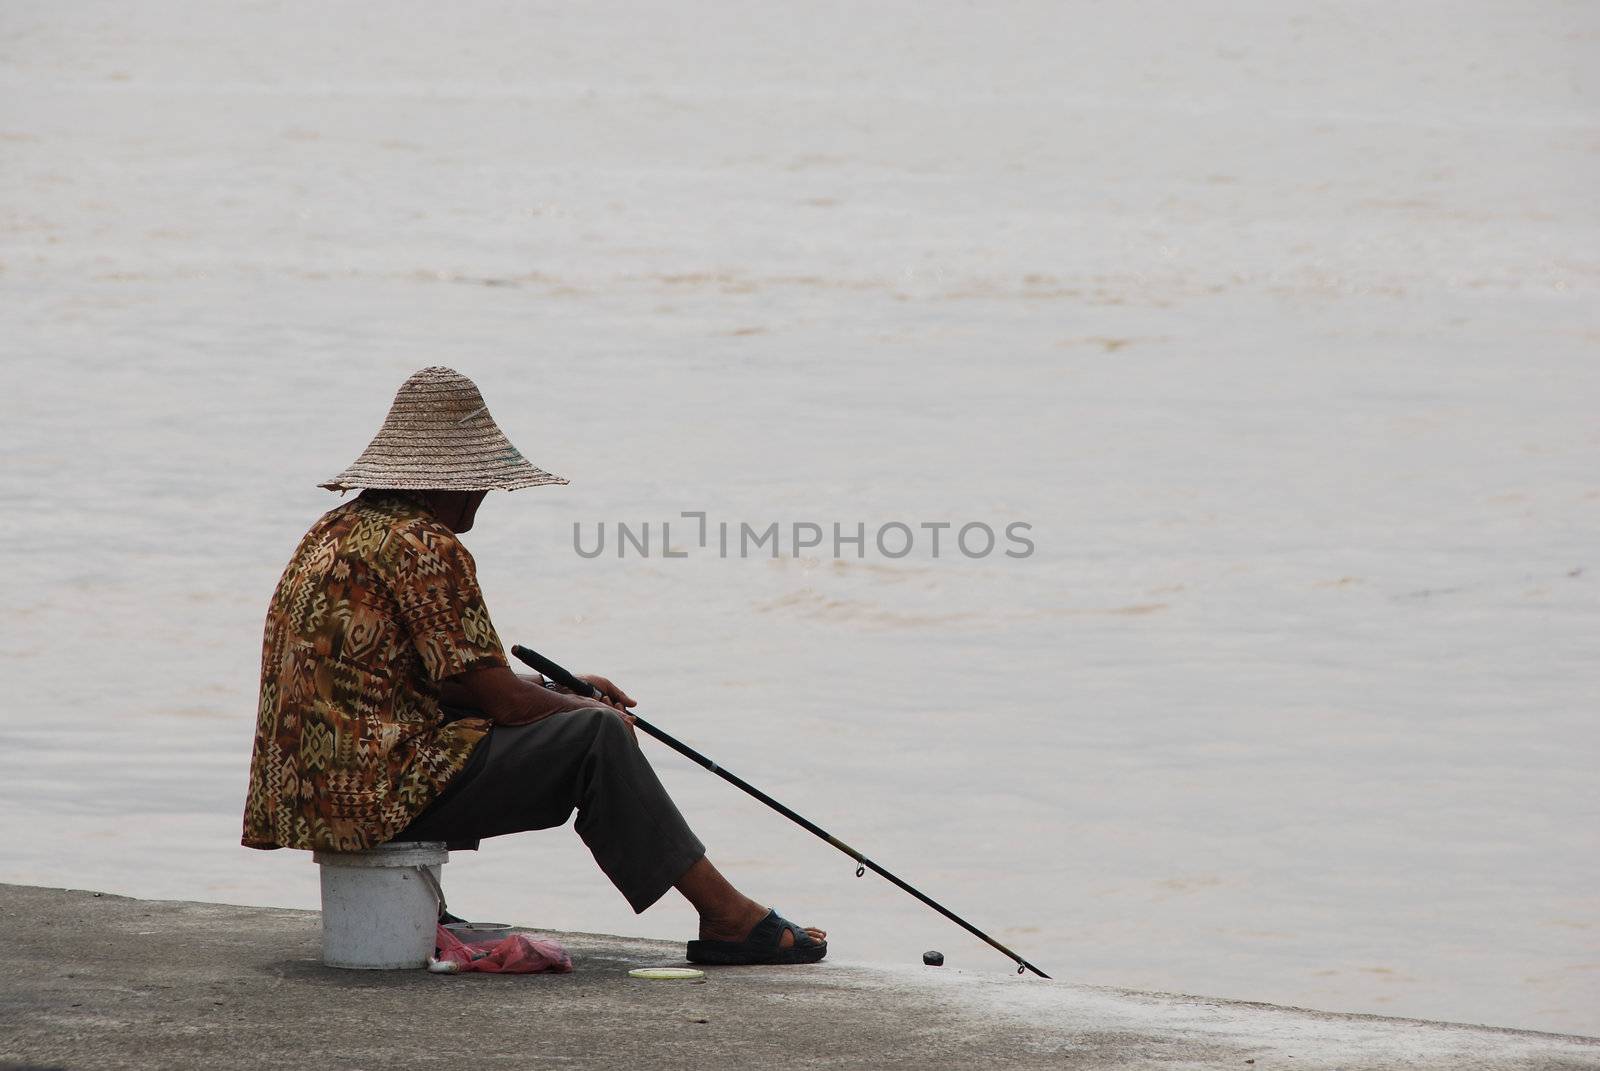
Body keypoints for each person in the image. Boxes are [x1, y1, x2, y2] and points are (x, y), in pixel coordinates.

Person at [241, 366, 826, 965]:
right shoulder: (424, 545)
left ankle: (425, 910)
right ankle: (727, 916)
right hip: (371, 795)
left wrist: (553, 690)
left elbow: (441, 685)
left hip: (307, 794)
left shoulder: (337, 532)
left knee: (572, 720)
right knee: (596, 737)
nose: (484, 494)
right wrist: (583, 709)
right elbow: (498, 700)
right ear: (447, 481)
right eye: (479, 481)